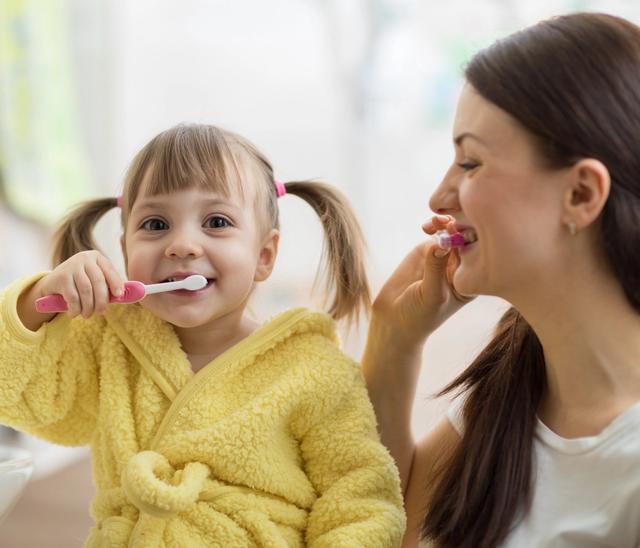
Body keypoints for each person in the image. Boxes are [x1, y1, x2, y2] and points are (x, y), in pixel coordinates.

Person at [0, 124, 405, 547]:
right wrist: (34, 301)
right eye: (155, 224)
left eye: (216, 222)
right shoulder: (107, 344)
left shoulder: (315, 370)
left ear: (264, 256)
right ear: (124, 251)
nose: (182, 245)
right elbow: (17, 396)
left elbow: (361, 501)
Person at [362, 11, 640, 548]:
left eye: (470, 163)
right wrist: (392, 341)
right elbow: (377, 529)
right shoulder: (505, 397)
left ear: (581, 194)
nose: (440, 198)